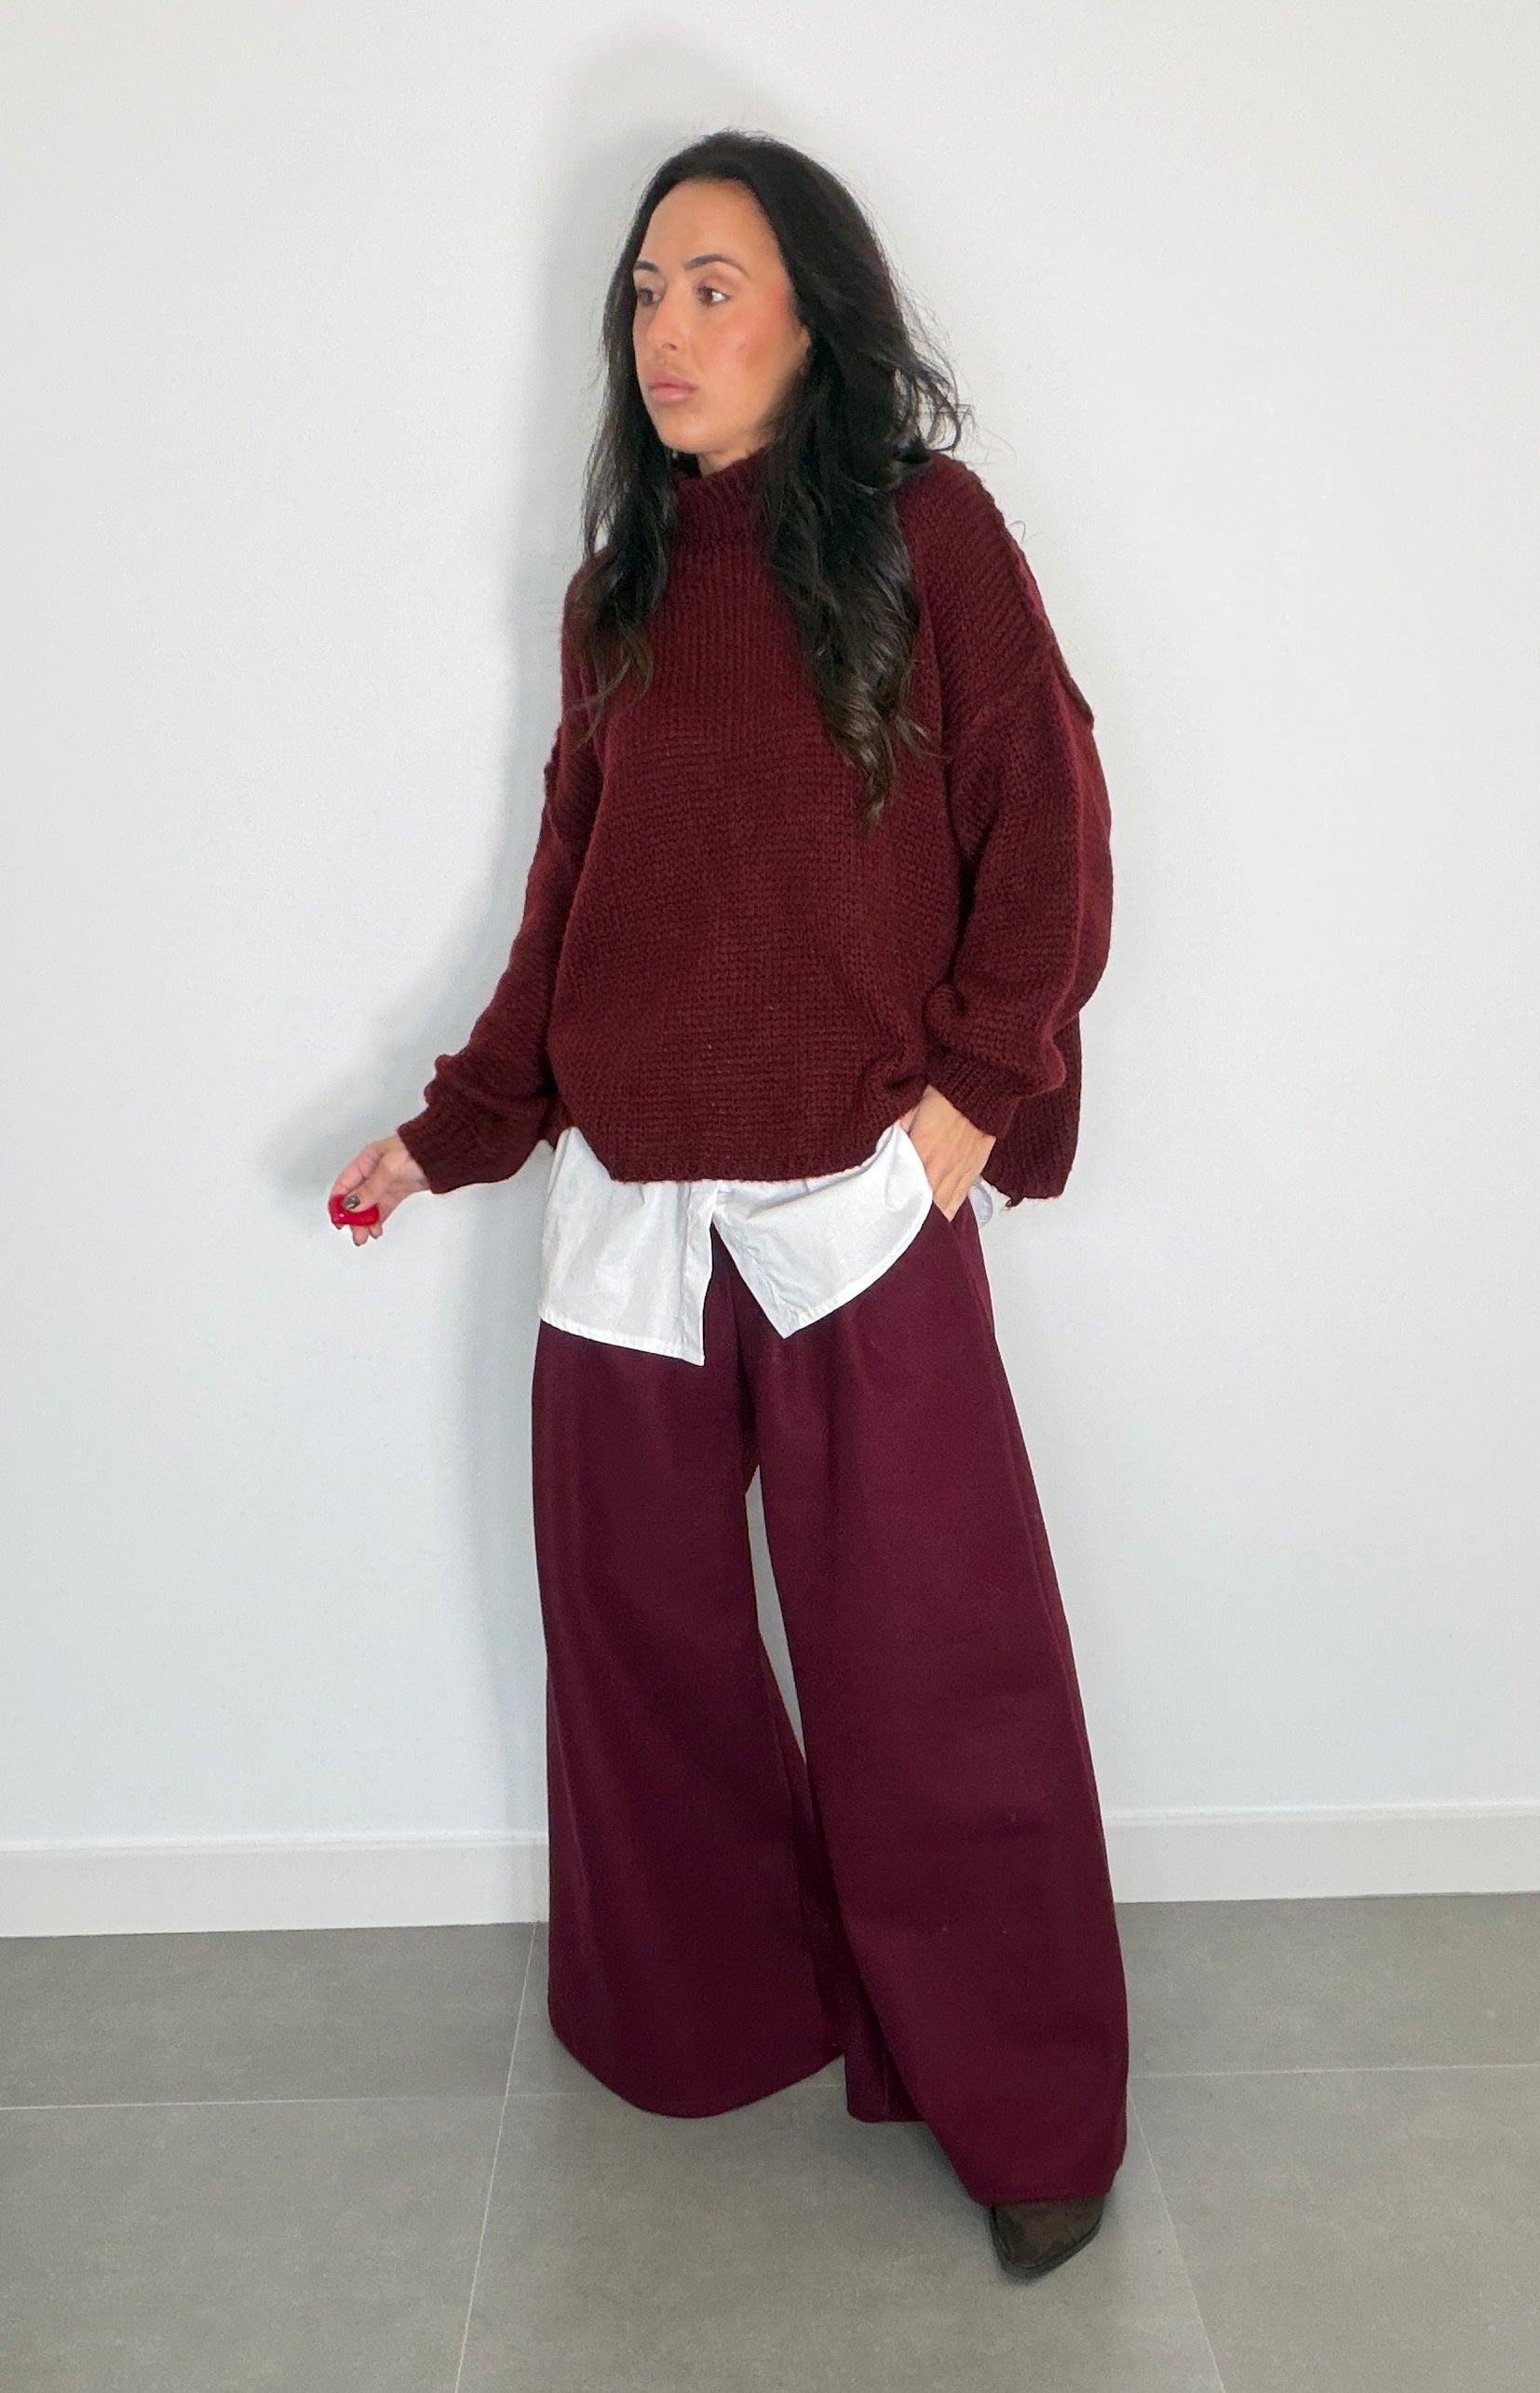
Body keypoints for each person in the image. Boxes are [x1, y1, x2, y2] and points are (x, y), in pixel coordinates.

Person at [329, 130, 1129, 2283]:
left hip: (856, 1204)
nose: (664, 330)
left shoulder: (932, 538)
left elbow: (1046, 821)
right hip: (625, 1214)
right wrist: (459, 1126)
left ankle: (1027, 2099)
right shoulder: (614, 589)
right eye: (644, 291)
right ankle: (711, 2017)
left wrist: (972, 1100)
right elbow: (571, 890)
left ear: (812, 314)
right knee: (645, 1659)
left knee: (934, 1669)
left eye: (712, 285)